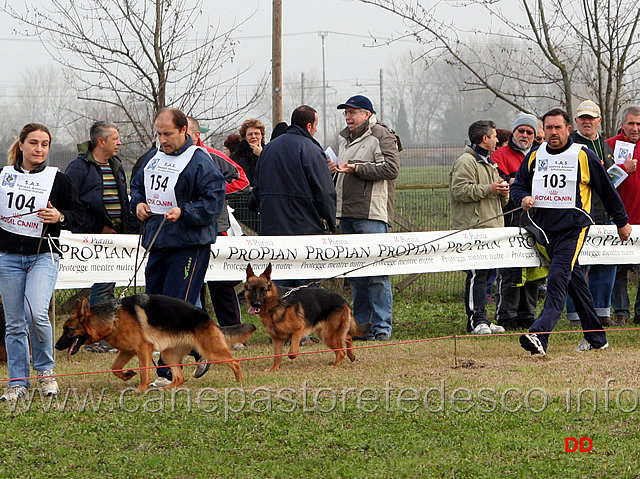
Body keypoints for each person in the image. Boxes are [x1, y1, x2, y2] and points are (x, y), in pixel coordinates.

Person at [511, 108, 631, 356]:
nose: (553, 133)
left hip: (573, 229)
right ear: (543, 131)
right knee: (574, 281)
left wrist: (622, 222)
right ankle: (596, 338)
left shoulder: (583, 155)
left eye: (558, 127)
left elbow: (607, 191)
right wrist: (522, 197)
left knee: (557, 278)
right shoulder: (535, 154)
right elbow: (520, 184)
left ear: (568, 129)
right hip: (544, 230)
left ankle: (539, 335)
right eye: (549, 128)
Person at [130, 108, 226, 387]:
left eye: (168, 133)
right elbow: (138, 187)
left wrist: (184, 211)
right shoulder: (152, 158)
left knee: (175, 307)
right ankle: (200, 349)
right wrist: (138, 204)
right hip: (157, 241)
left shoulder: (200, 162)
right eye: (159, 134)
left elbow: (212, 203)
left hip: (189, 245)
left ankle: (168, 371)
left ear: (184, 130)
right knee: (155, 306)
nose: (163, 139)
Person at [0, 123, 84, 401]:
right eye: (33, 143)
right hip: (8, 258)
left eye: (44, 144)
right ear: (21, 144)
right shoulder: (3, 176)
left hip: (44, 256)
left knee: (36, 313)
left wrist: (59, 217)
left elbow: (78, 213)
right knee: (14, 323)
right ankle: (17, 383)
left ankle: (46, 373)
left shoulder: (57, 179)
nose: (39, 149)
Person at [65, 121, 139, 352]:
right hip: (94, 239)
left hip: (119, 237)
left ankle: (106, 333)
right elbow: (71, 204)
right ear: (101, 141)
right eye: (115, 138)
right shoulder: (78, 168)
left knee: (111, 283)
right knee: (103, 284)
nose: (119, 143)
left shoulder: (116, 166)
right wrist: (98, 227)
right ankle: (96, 339)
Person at [334, 95, 400, 341]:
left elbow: (391, 169)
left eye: (354, 112)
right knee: (357, 275)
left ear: (368, 114)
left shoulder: (381, 135)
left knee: (376, 274)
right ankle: (362, 327)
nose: (349, 117)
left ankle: (382, 327)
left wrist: (356, 167)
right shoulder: (345, 140)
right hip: (347, 214)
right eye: (346, 113)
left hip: (371, 214)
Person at [186, 116, 249, 328]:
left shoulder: (213, 156)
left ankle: (233, 331)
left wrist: (216, 191)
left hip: (216, 229)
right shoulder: (167, 158)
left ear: (196, 135)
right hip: (184, 230)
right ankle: (198, 331)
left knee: (221, 282)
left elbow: (242, 181)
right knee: (193, 283)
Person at [449, 120, 509, 335]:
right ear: (485, 139)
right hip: (474, 229)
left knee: (487, 274)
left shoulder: (489, 163)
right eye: (494, 136)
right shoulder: (466, 162)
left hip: (491, 228)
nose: (497, 140)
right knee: (477, 274)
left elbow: (496, 197)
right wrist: (489, 189)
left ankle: (483, 317)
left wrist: (503, 191)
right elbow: (460, 191)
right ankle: (476, 320)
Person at [564, 101, 618, 327]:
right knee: (577, 265)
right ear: (576, 121)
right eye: (582, 118)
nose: (587, 122)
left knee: (606, 262)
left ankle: (602, 312)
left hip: (604, 214)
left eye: (591, 118)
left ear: (599, 121)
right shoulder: (570, 146)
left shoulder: (604, 146)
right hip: (578, 215)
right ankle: (576, 315)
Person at [491, 112, 543, 330]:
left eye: (529, 132)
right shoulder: (500, 155)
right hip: (511, 218)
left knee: (533, 268)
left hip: (536, 219)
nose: (525, 135)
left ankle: (527, 313)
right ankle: (506, 314)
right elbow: (497, 182)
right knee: (511, 269)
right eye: (521, 130)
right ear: (514, 132)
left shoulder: (541, 155)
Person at [606, 105, 640, 326]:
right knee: (617, 267)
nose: (635, 128)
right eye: (631, 123)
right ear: (622, 125)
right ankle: (621, 312)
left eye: (639, 124)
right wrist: (622, 168)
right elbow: (603, 179)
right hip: (619, 217)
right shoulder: (610, 146)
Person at [228, 119, 265, 233]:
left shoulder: (269, 152)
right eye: (250, 134)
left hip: (263, 203)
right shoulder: (236, 156)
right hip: (243, 204)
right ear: (244, 136)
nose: (254, 137)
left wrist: (262, 155)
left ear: (262, 136)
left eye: (257, 133)